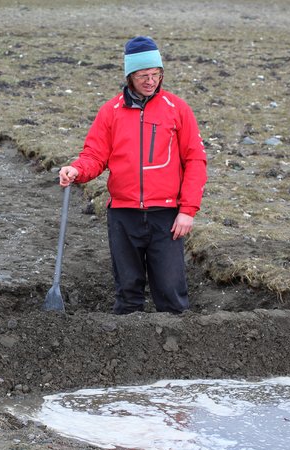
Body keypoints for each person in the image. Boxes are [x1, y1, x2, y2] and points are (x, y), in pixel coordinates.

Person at [59, 36, 207, 315]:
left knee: (171, 294)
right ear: (130, 75)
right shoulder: (111, 112)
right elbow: (95, 155)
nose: (151, 81)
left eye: (156, 75)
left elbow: (195, 160)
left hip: (166, 216)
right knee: (127, 292)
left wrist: (187, 210)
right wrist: (76, 170)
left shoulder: (178, 110)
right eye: (143, 76)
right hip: (123, 214)